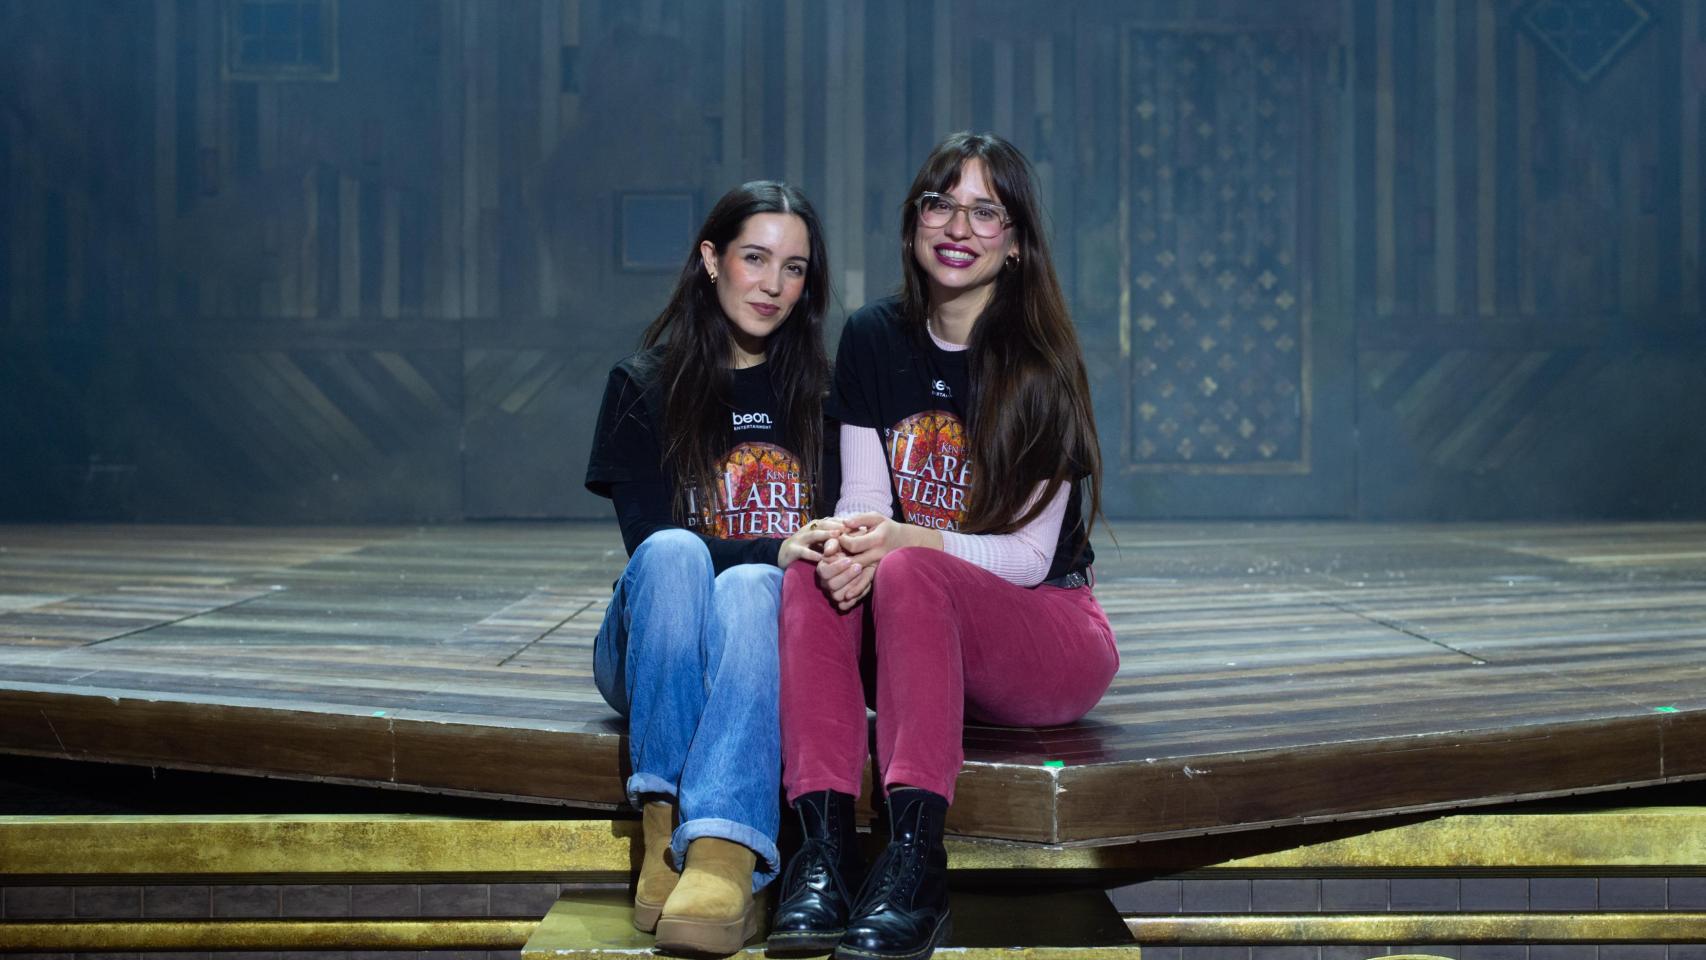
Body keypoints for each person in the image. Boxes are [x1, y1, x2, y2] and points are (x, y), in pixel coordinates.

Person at [770, 133, 1119, 960]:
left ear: (1017, 241)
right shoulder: (873, 338)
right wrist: (839, 541)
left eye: (984, 210)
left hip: (1045, 631)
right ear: (914, 221)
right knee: (815, 574)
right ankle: (819, 857)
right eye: (939, 203)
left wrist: (899, 542)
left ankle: (916, 864)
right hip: (916, 619)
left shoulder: (1042, 365)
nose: (957, 225)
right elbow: (863, 502)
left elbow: (1028, 560)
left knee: (914, 568)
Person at [585, 180, 840, 955]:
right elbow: (649, 541)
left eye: (793, 269)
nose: (772, 285)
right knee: (675, 552)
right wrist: (774, 545)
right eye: (754, 259)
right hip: (656, 643)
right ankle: (664, 824)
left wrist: (777, 560)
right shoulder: (643, 384)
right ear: (710, 259)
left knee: (760, 586)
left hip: (758, 645)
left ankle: (722, 853)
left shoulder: (823, 396)